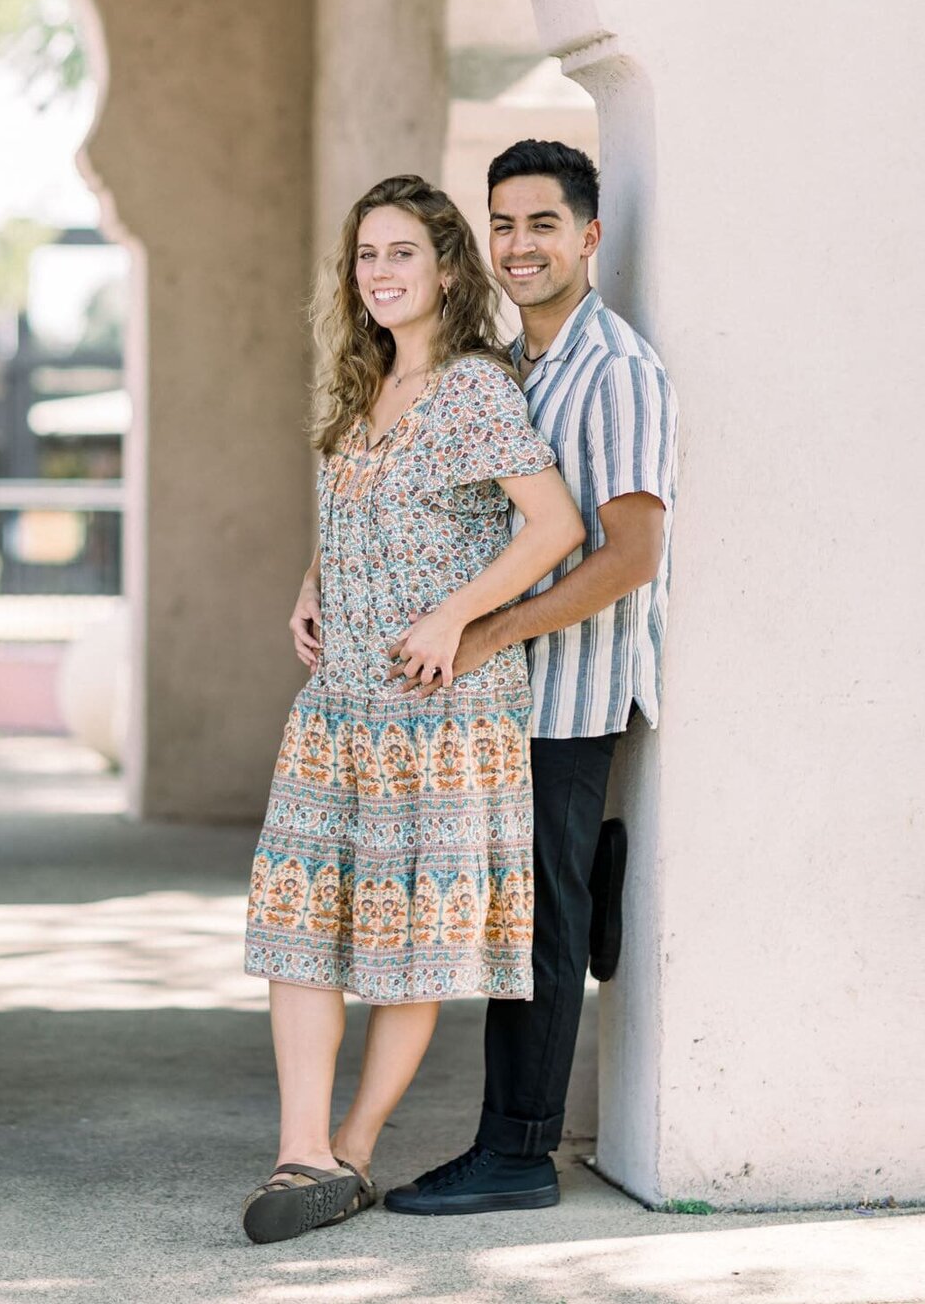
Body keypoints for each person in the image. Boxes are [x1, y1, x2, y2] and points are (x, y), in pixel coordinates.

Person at [240, 174, 586, 1246]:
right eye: (364, 256)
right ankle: (299, 1152)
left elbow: (554, 528)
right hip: (339, 704)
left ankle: (351, 1152)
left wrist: (453, 618)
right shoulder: (363, 387)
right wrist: (311, 579)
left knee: (403, 942)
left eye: (400, 253)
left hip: (441, 711)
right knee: (303, 929)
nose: (378, 274)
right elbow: (363, 508)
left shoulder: (477, 391)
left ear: (446, 270)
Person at [383, 139, 678, 1217]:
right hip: (506, 697)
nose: (519, 245)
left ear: (589, 237)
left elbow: (632, 556)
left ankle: (517, 1155)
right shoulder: (514, 367)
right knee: (524, 921)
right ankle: (512, 1136)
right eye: (503, 224)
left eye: (543, 224)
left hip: (573, 695)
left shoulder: (617, 372)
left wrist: (492, 630)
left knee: (546, 926)